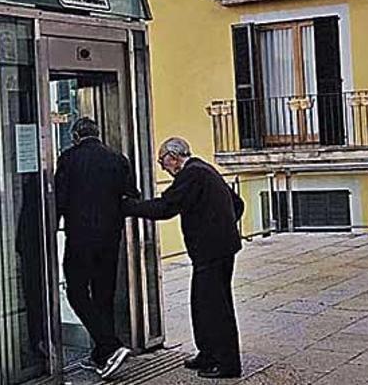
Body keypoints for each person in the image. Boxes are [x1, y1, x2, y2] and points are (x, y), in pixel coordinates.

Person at [122, 137, 243, 379]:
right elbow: (238, 204)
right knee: (203, 303)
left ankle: (228, 363)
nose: (162, 167)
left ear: (174, 157)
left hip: (211, 250)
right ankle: (208, 353)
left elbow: (166, 207)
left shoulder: (191, 174)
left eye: (162, 161)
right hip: (218, 248)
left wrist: (129, 207)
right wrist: (221, 224)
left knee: (215, 307)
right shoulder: (204, 169)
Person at [55, 117, 138, 379]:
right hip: (110, 238)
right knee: (104, 293)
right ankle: (102, 355)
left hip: (80, 238)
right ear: (98, 134)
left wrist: (49, 230)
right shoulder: (118, 159)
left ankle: (110, 345)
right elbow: (131, 196)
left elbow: (59, 199)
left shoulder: (68, 159)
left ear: (76, 136)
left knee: (76, 291)